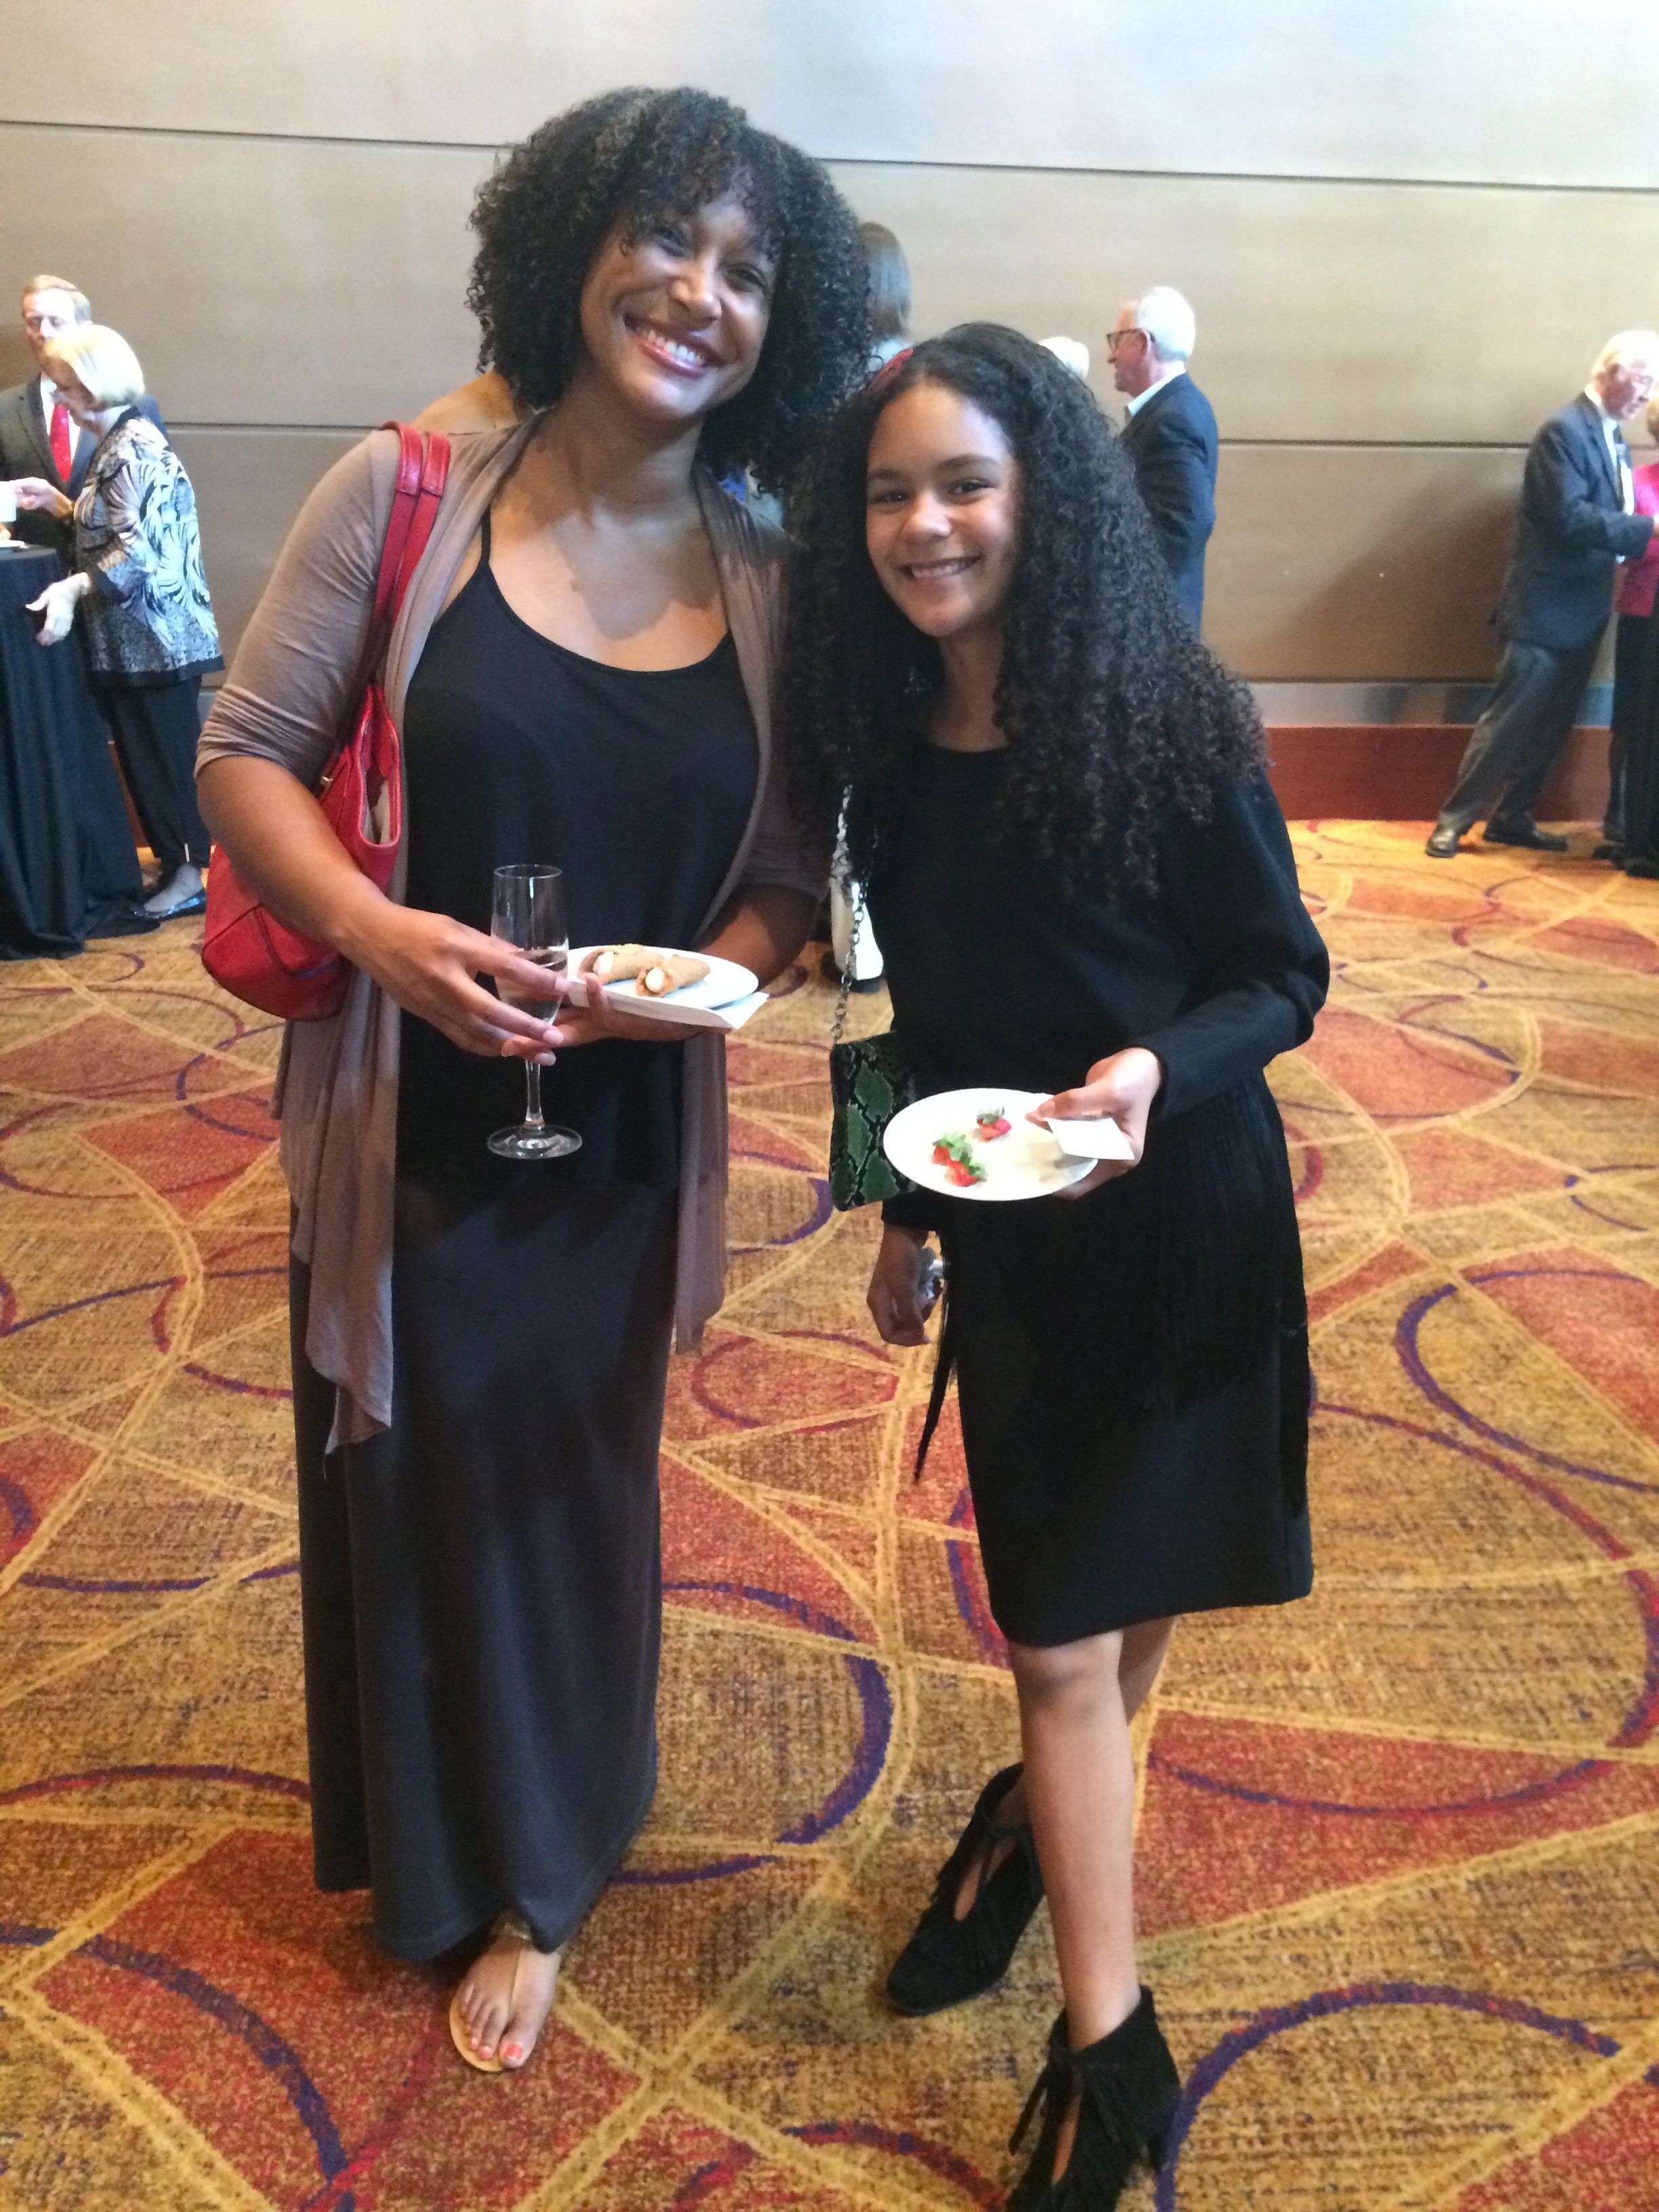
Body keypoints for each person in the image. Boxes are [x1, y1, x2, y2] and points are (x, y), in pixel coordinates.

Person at [196, 86, 868, 2080]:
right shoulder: (406, 494)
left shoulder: (767, 571)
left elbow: (784, 876)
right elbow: (244, 754)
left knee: (570, 1492)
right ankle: (430, 1856)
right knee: (401, 1466)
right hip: (404, 1105)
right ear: (576, 244)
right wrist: (379, 933)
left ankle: (545, 1869)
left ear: (781, 322)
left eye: (747, 269)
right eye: (665, 235)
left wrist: (704, 987)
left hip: (620, 1128)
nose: (698, 291)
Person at [785, 327, 1326, 2209]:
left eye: (965, 485)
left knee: (1127, 1593)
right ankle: (1116, 2046)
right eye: (889, 494)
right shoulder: (878, 746)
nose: (923, 526)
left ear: (1045, 500)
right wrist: (897, 1212)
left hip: (1183, 1221)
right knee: (1064, 1639)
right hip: (1012, 1235)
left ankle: (1031, 1834)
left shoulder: (1166, 715)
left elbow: (1283, 973)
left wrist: (1154, 1069)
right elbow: (899, 1016)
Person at [12, 324, 219, 920]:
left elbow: (139, 555)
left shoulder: (133, 448)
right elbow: (113, 526)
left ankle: (190, 877)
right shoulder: (118, 441)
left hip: (157, 640)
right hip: (136, 641)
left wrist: (72, 588)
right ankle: (177, 867)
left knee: (165, 765)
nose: (62, 401)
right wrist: (58, 504)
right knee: (148, 761)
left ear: (95, 384)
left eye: (68, 388)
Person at [1427, 331, 1659, 859]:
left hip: (1584, 608)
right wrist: (1648, 529)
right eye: (1643, 381)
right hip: (1543, 609)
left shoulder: (1612, 438)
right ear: (1612, 373)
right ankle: (1453, 822)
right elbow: (1567, 517)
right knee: (1508, 721)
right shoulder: (1565, 431)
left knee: (1552, 725)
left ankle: (1513, 817)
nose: (1648, 395)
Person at [0, 276, 165, 565]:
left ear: (85, 331)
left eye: (56, 321)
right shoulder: (5, 407)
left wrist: (82, 583)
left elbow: (149, 529)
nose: (44, 332)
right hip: (30, 573)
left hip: (114, 580)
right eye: (34, 322)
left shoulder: (134, 421)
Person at [1108, 285, 1218, 630]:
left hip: (1153, 628)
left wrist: (1121, 586)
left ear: (1142, 343)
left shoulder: (1172, 418)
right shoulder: (1178, 406)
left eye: (1116, 341)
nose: (1111, 356)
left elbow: (1187, 524)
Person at [1597, 394, 1659, 861]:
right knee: (1631, 718)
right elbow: (1628, 551)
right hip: (1642, 615)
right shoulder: (1638, 483)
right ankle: (1618, 811)